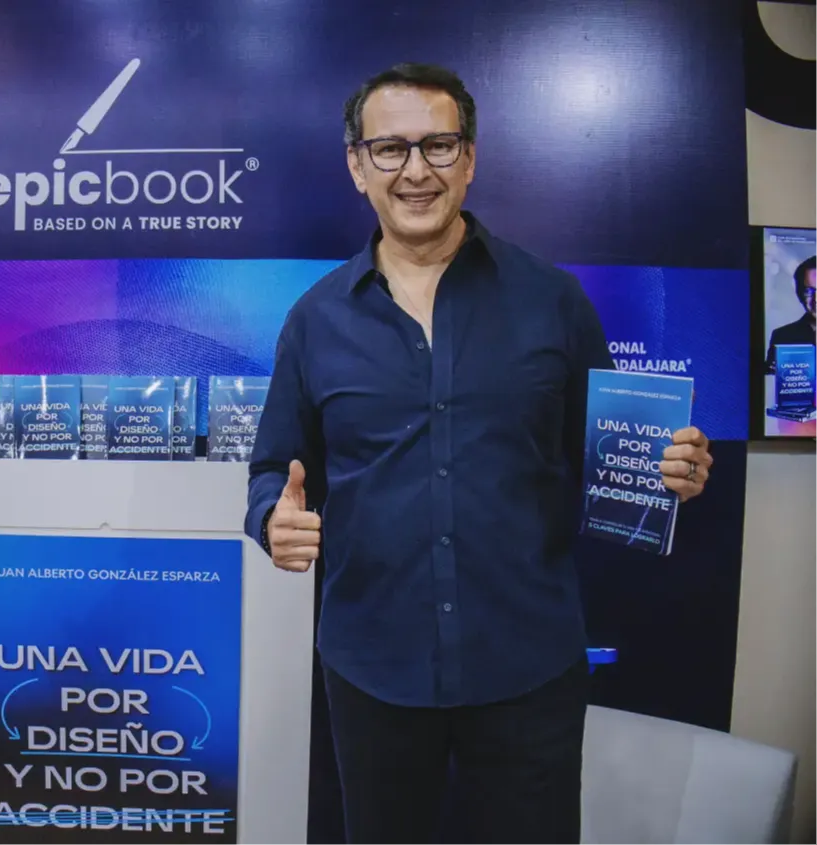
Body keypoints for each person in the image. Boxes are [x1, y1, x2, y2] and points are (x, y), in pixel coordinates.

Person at [244, 63, 713, 845]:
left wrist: (667, 472)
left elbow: (613, 457)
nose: (415, 170)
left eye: (438, 145)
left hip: (527, 666)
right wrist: (270, 518)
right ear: (357, 166)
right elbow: (272, 468)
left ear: (469, 158)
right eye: (389, 149)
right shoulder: (314, 320)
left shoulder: (552, 300)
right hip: (373, 667)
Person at [764, 254, 817, 373]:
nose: (816, 299)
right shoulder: (783, 336)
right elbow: (771, 380)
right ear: (799, 294)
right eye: (809, 291)